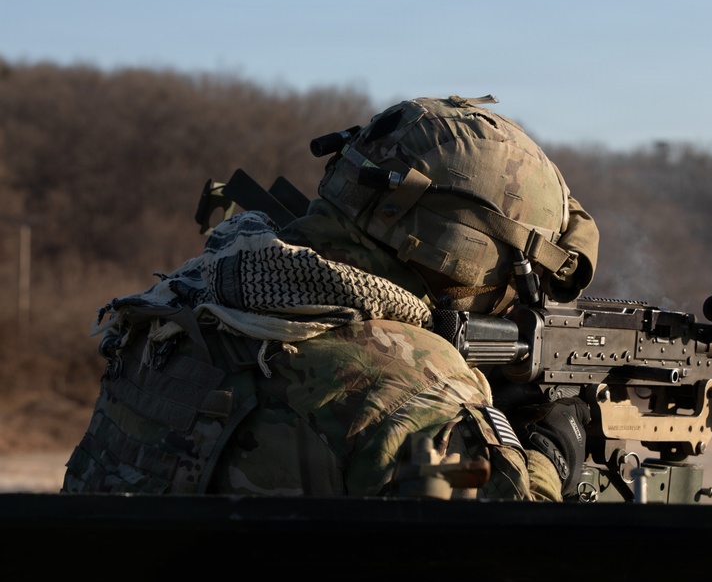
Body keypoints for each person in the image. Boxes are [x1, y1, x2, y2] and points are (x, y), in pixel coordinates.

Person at [61, 94, 599, 501]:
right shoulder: (413, 388)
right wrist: (549, 454)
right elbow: (510, 562)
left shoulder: (193, 295)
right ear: (471, 253)